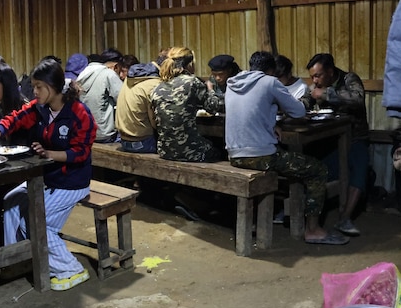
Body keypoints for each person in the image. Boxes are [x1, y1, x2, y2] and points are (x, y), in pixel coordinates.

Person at [0, 59, 97, 291]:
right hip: (47, 178)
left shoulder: (78, 112)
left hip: (72, 182)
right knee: (12, 200)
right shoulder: (39, 108)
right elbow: (15, 118)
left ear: (53, 87)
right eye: (33, 86)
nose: (34, 91)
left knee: (36, 222)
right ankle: (18, 260)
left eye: (38, 86)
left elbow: (81, 152)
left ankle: (71, 269)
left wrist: (51, 154)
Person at [225, 52, 347, 245]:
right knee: (317, 170)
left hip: (234, 155)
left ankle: (283, 214)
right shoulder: (269, 82)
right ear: (271, 70)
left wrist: (271, 124)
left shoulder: (232, 83)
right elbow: (298, 111)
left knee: (291, 164)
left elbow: (251, 113)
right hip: (260, 157)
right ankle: (313, 229)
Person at [300, 52, 369, 236]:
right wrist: (298, 105)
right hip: (329, 139)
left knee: (359, 170)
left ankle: (344, 219)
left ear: (330, 71)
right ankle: (300, 211)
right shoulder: (315, 85)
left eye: (318, 75)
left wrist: (327, 94)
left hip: (355, 137)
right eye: (312, 76)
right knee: (313, 165)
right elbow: (305, 101)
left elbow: (358, 99)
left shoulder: (349, 79)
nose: (314, 80)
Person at [150, 46, 222, 162]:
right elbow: (213, 107)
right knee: (219, 150)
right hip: (191, 151)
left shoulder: (158, 87)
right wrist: (210, 89)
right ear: (189, 64)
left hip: (165, 151)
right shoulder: (192, 82)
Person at [115, 53, 164, 153]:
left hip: (123, 140)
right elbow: (155, 123)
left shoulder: (129, 79)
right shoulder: (154, 84)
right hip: (142, 143)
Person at [76, 49, 123, 143]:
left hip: (86, 133)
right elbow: (123, 100)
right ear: (116, 66)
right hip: (104, 134)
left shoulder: (82, 74)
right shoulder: (109, 74)